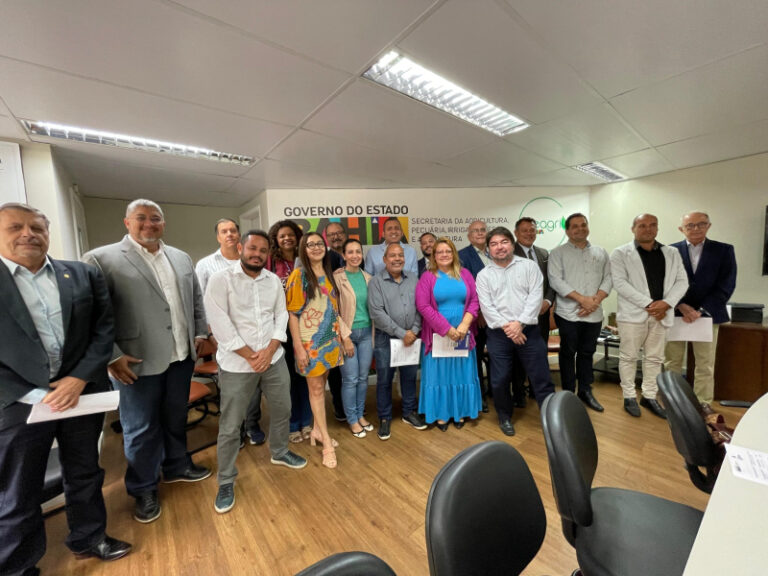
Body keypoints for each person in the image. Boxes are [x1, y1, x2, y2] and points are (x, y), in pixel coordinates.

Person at [0, 203, 131, 575]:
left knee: (85, 471)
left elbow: (103, 329)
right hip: (20, 402)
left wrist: (78, 379)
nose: (28, 234)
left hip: (81, 393)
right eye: (15, 227)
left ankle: (89, 537)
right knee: (18, 489)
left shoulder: (82, 274)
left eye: (36, 227)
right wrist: (37, 394)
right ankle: (16, 566)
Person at [82, 199, 211, 524]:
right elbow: (90, 314)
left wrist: (198, 333)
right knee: (140, 428)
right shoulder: (101, 259)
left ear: (163, 224)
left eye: (156, 218)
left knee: (175, 417)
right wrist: (112, 355)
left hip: (181, 356)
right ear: (127, 222)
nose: (149, 224)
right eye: (141, 218)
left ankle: (177, 465)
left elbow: (195, 299)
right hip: (135, 361)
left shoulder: (180, 257)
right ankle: (143, 487)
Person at [204, 230, 307, 514]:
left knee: (283, 409)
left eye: (263, 250)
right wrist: (251, 356)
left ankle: (279, 451)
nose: (257, 254)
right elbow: (220, 324)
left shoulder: (272, 280)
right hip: (237, 365)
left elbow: (281, 315)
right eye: (252, 248)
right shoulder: (221, 280)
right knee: (230, 425)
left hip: (273, 360)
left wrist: (270, 350)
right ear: (240, 248)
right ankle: (226, 480)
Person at [476, 227, 555, 437]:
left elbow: (535, 298)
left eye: (504, 242)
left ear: (512, 244)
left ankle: (552, 419)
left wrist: (519, 324)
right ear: (488, 249)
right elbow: (487, 307)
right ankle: (504, 417)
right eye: (494, 244)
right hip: (499, 335)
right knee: (500, 379)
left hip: (529, 331)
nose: (499, 247)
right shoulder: (483, 275)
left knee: (541, 376)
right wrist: (510, 328)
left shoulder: (529, 267)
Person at [610, 214, 688, 419]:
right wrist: (649, 304)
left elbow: (682, 282)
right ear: (633, 228)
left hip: (662, 313)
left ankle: (649, 396)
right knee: (628, 357)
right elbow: (620, 283)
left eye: (652, 225)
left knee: (655, 358)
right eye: (642, 225)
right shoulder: (620, 253)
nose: (648, 229)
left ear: (657, 228)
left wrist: (667, 303)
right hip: (633, 314)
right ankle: (629, 396)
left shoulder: (671, 253)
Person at [197, 218, 265, 446]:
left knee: (254, 383)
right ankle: (235, 431)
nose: (229, 234)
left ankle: (252, 424)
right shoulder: (206, 265)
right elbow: (200, 301)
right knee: (232, 387)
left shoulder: (252, 260)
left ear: (239, 235)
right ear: (218, 236)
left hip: (253, 335)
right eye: (224, 231)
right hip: (223, 336)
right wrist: (210, 333)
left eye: (233, 230)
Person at [664, 211, 736, 414]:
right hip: (676, 313)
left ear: (708, 226)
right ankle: (673, 400)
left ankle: (703, 403)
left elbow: (726, 284)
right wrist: (681, 305)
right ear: (681, 229)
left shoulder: (724, 250)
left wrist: (701, 310)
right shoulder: (669, 251)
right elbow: (664, 283)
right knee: (672, 361)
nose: (696, 228)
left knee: (705, 364)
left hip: (708, 315)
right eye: (690, 225)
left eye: (701, 224)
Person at [285, 233, 343, 468]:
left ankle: (317, 430)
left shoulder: (328, 274)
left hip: (331, 339)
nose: (316, 248)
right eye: (311, 245)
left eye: (320, 243)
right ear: (304, 249)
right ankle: (326, 443)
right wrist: (298, 348)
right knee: (316, 389)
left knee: (322, 383)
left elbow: (333, 308)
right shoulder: (299, 276)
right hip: (310, 343)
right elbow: (292, 314)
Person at [416, 237, 482, 430]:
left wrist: (465, 324)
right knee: (440, 375)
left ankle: (460, 412)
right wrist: (446, 329)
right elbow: (423, 306)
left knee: (461, 373)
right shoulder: (427, 277)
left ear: (454, 253)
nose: (444, 255)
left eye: (448, 251)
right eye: (439, 252)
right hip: (438, 333)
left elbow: (475, 301)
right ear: (434, 256)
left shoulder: (465, 274)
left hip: (463, 333)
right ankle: (441, 414)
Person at [548, 213, 612, 412]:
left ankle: (585, 390)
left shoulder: (601, 252)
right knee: (568, 353)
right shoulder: (557, 253)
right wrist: (583, 300)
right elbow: (555, 280)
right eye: (574, 226)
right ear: (567, 231)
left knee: (587, 352)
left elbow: (609, 278)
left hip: (594, 314)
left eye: (583, 225)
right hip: (568, 313)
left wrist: (595, 301)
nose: (580, 229)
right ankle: (568, 393)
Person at [367, 243, 426, 440]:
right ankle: (384, 417)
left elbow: (420, 306)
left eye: (400, 255)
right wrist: (402, 333)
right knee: (384, 379)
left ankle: (409, 412)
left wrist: (414, 330)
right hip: (386, 338)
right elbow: (377, 313)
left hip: (411, 337)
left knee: (409, 376)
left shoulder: (413, 278)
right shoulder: (376, 282)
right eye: (392, 255)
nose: (397, 259)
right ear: (385, 259)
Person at [267, 220, 312, 443]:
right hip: (281, 326)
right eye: (282, 236)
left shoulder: (305, 259)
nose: (287, 238)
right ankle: (293, 423)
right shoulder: (270, 262)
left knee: (306, 375)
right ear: (276, 240)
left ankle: (307, 421)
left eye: (291, 235)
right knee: (288, 378)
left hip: (306, 324)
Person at [512, 217, 555, 407]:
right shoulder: (508, 253)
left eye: (532, 230)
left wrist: (547, 301)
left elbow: (551, 282)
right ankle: (518, 392)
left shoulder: (543, 253)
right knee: (518, 356)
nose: (529, 234)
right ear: (516, 233)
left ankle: (536, 391)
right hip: (518, 316)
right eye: (525, 231)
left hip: (542, 315)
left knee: (539, 353)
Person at [333, 239, 375, 438]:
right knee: (350, 379)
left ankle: (360, 415)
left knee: (363, 378)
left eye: (358, 251)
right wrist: (345, 338)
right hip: (347, 335)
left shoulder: (368, 278)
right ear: (343, 255)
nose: (355, 255)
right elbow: (333, 310)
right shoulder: (336, 278)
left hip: (367, 334)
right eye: (350, 252)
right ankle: (351, 419)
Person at [457, 220, 491, 412]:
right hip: (478, 318)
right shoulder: (462, 256)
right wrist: (478, 314)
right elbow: (467, 289)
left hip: (499, 317)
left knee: (497, 356)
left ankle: (496, 391)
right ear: (469, 236)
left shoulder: (495, 252)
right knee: (475, 357)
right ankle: (480, 396)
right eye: (475, 231)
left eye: (482, 230)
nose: (479, 233)